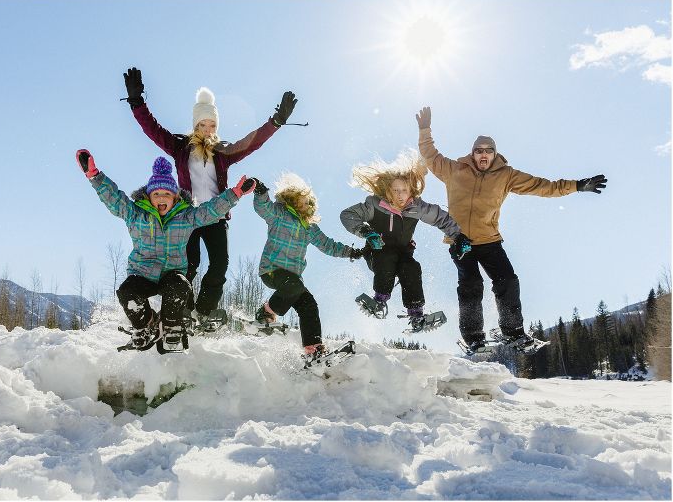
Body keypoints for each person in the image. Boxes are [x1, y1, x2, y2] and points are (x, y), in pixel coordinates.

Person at [415, 106, 607, 353]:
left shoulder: (506, 175)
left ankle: (513, 331)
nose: (483, 155)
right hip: (459, 240)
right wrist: (424, 129)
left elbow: (542, 186)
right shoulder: (454, 170)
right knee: (471, 284)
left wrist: (577, 186)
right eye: (479, 151)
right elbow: (430, 155)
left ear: (495, 154)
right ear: (472, 154)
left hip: (490, 241)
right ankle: (474, 337)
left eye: (488, 151)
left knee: (507, 281)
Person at [122, 67, 297, 325]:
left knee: (219, 265)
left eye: (212, 124)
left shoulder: (222, 151)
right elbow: (153, 129)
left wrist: (276, 122)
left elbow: (252, 141)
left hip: (215, 217)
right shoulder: (180, 147)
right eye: (202, 124)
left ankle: (203, 312)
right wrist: (137, 102)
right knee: (187, 267)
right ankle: (182, 312)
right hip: (188, 217)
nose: (207, 129)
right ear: (195, 124)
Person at [75, 149, 254, 351]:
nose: (162, 197)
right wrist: (95, 176)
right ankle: (146, 323)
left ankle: (171, 325)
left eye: (167, 194)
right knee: (127, 292)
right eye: (157, 193)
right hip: (142, 273)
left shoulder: (185, 216)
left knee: (180, 286)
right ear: (149, 196)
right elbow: (115, 199)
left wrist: (235, 194)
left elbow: (209, 211)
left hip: (171, 273)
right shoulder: (136, 214)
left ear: (175, 197)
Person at [340, 154, 471, 331]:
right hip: (377, 254)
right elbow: (347, 215)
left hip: (403, 255)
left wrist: (458, 236)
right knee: (387, 256)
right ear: (387, 191)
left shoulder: (416, 208)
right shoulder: (373, 205)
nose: (400, 195)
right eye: (395, 190)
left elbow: (441, 218)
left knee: (412, 267)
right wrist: (366, 232)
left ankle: (416, 313)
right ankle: (379, 300)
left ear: (411, 191)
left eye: (404, 190)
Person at [250, 173, 366, 359]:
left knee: (309, 305)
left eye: (309, 203)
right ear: (292, 200)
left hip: (293, 281)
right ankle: (265, 312)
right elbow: (263, 208)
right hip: (272, 271)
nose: (307, 206)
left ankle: (314, 349)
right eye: (303, 202)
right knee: (294, 284)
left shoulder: (309, 227)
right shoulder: (279, 214)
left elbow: (328, 245)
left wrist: (351, 252)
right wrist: (261, 192)